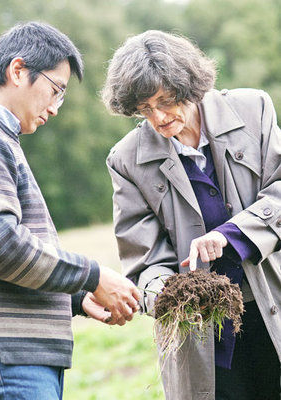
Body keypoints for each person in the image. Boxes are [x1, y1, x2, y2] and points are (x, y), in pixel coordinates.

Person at [102, 30, 280, 400]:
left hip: (272, 308)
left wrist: (230, 235)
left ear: (191, 85)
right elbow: (143, 258)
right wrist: (164, 293)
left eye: (166, 101)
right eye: (144, 109)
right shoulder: (125, 159)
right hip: (202, 334)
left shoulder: (253, 109)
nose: (159, 117)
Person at [0, 21, 140, 399]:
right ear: (17, 71)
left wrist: (76, 297)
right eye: (56, 90)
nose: (56, 108)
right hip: (6, 362)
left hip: (12, 360)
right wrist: (92, 276)